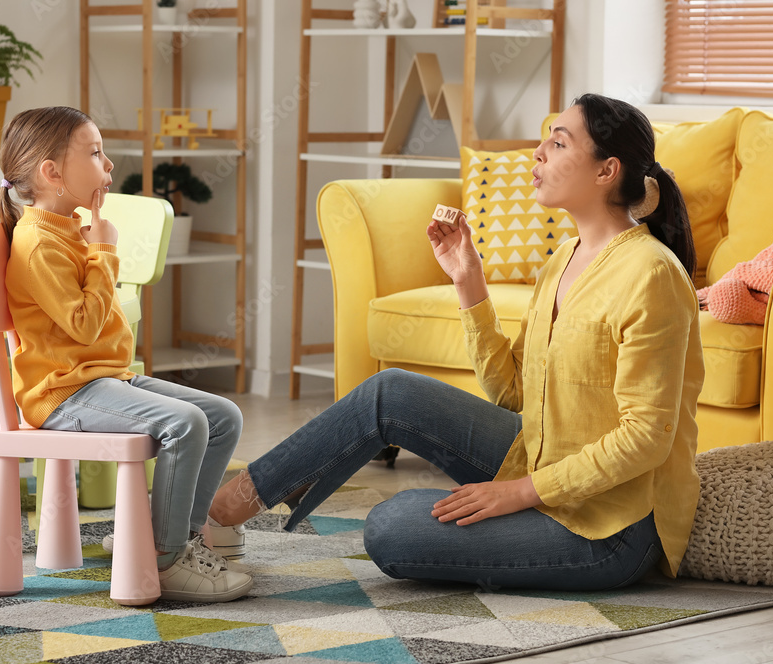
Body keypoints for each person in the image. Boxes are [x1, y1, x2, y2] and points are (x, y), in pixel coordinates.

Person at [209, 93, 705, 591]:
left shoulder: (651, 274)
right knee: (390, 391)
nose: (538, 153)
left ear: (606, 171)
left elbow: (646, 438)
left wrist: (519, 493)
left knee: (391, 525)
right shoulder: (565, 258)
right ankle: (223, 513)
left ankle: (217, 519)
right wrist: (469, 281)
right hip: (538, 459)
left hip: (613, 529)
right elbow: (513, 393)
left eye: (558, 142)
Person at [0, 106, 252, 603]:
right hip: (64, 393)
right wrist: (105, 251)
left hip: (104, 379)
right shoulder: (38, 244)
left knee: (221, 415)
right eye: (94, 154)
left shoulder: (71, 228)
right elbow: (87, 325)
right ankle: (164, 558)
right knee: (186, 424)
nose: (108, 165)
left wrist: (96, 246)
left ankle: (170, 536)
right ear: (51, 173)